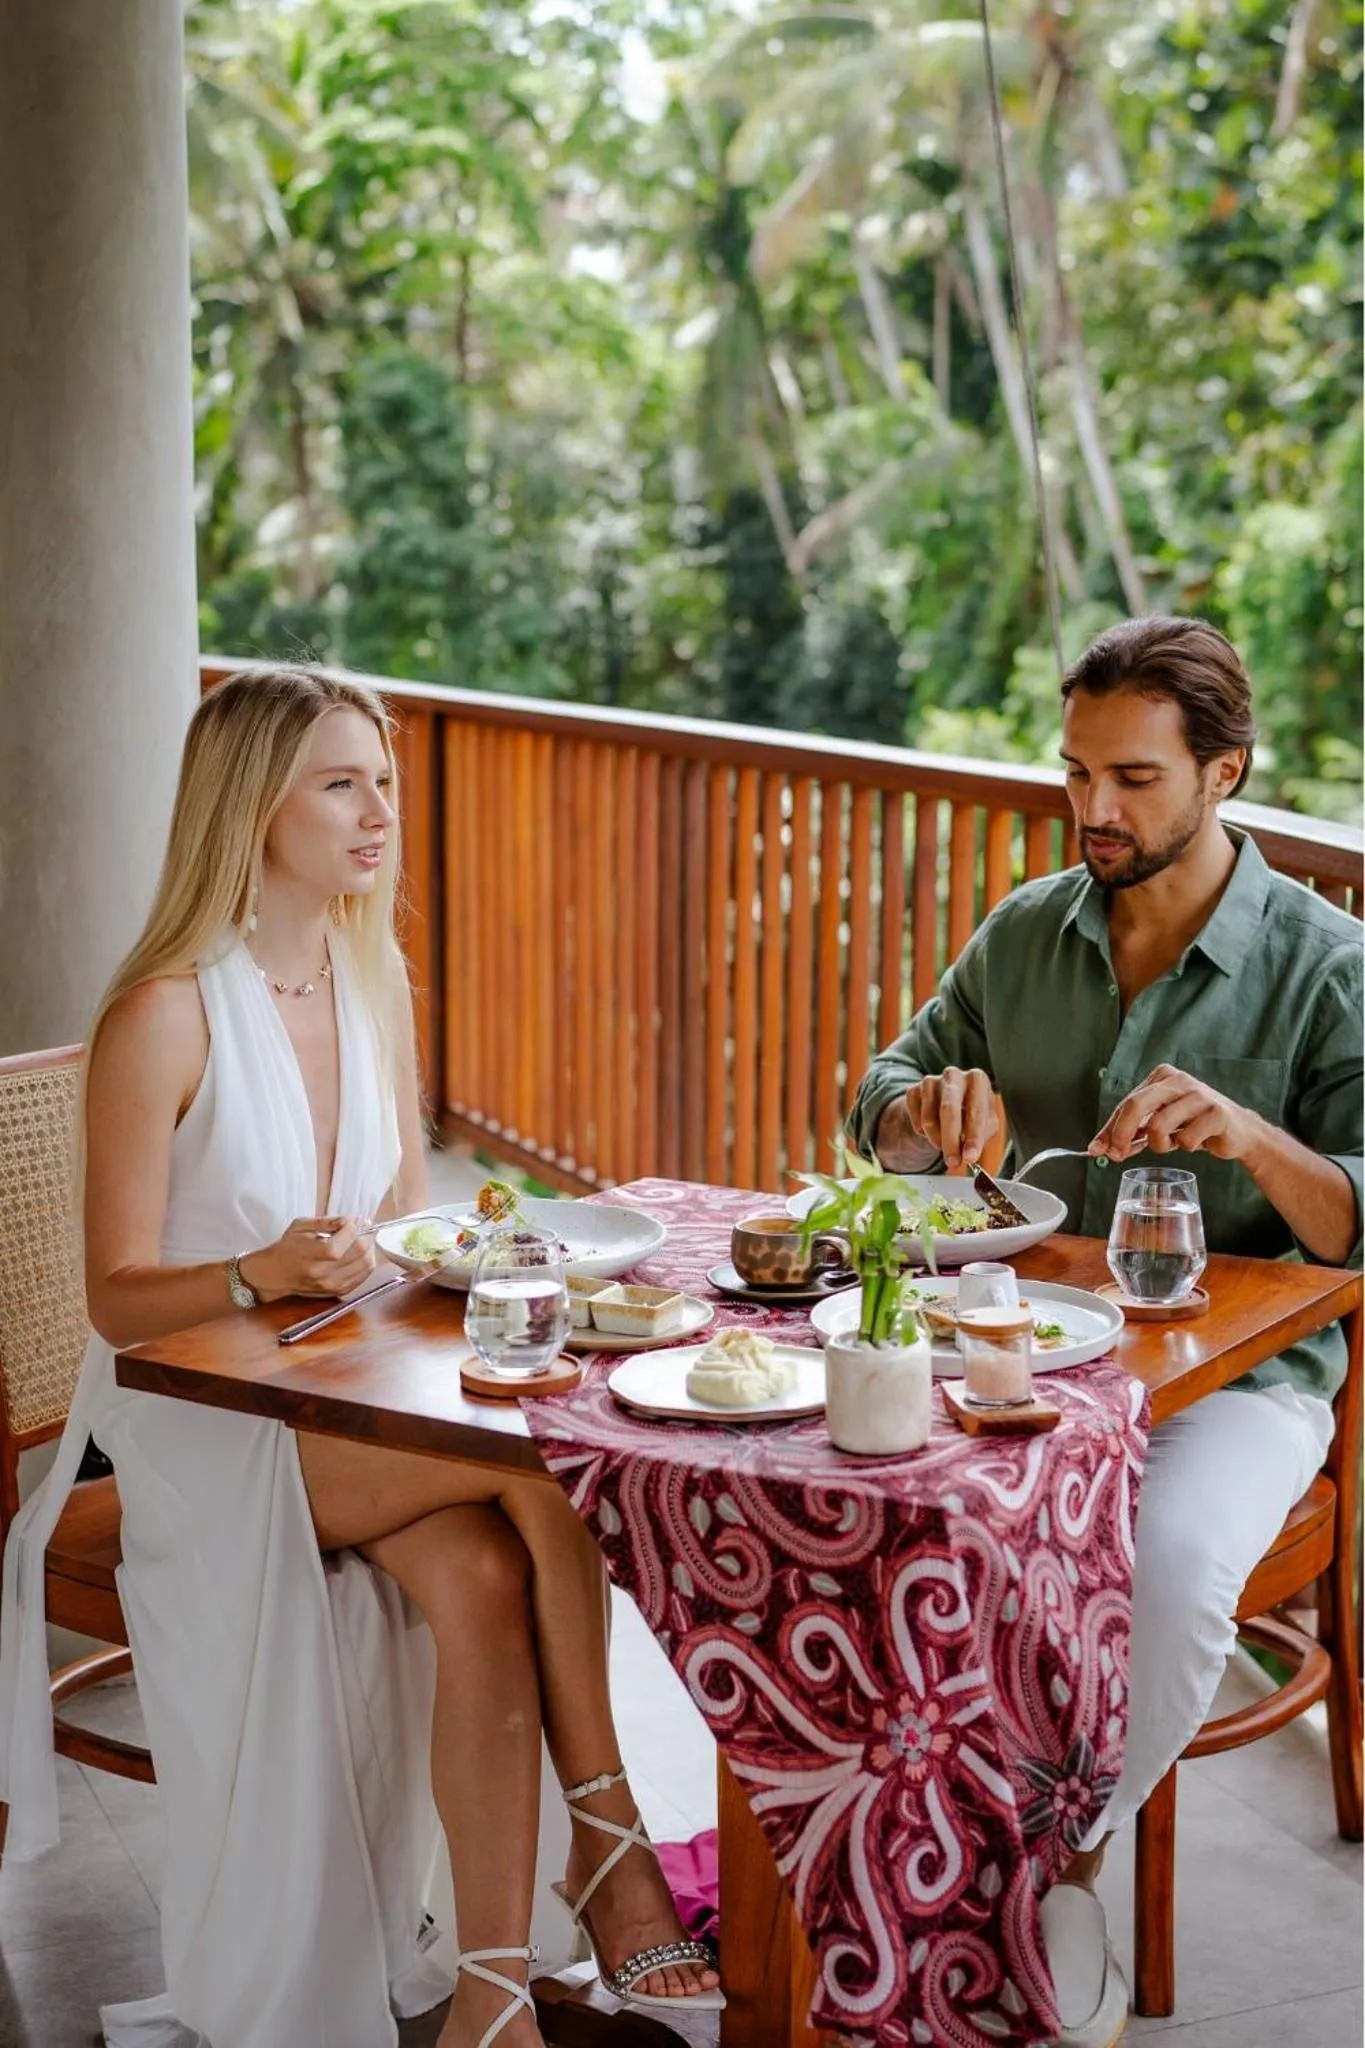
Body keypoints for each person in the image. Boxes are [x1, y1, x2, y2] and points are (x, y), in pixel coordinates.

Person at [0, 668, 721, 2048]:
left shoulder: (363, 971)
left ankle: (494, 1994)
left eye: (382, 778)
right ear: (251, 805)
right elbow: (112, 1301)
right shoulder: (165, 1011)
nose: (380, 807)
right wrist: (251, 1273)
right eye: (342, 781)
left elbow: (402, 1229)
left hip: (346, 1387)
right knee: (539, 1468)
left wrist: (463, 1264)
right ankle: (618, 1860)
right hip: (207, 1419)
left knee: (491, 1564)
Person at [847, 616, 1362, 2048]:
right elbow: (886, 1085)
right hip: (1025, 1360)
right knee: (873, 1519)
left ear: (1225, 772)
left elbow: (1361, 1215)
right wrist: (915, 1116)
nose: (1092, 810)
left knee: (1174, 1567)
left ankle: (1039, 1877)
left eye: (1132, 778)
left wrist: (1256, 1143)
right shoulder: (1025, 932)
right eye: (1075, 772)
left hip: (1240, 1384)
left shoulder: (1329, 965)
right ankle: (890, 1843)